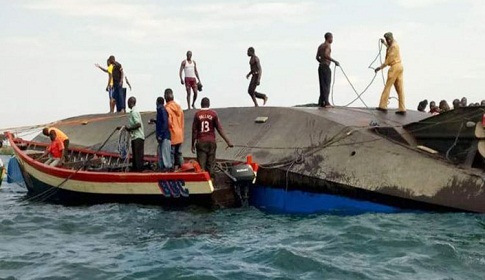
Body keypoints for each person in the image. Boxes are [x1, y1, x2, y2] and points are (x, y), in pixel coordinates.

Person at [192, 97, 233, 177]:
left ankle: (203, 182)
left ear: (201, 104)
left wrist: (192, 144)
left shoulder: (197, 114)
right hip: (211, 142)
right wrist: (228, 142)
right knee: (211, 164)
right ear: (209, 104)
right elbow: (219, 129)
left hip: (201, 142)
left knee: (201, 165)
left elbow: (194, 131)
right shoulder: (213, 114)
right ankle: (212, 180)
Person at [375, 32, 406, 114]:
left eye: (387, 40)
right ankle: (402, 108)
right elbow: (390, 47)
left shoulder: (393, 47)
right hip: (400, 66)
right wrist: (384, 43)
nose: (387, 41)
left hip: (394, 67)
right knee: (400, 89)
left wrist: (380, 68)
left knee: (388, 86)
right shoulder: (395, 44)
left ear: (390, 39)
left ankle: (383, 105)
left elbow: (388, 60)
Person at [316, 32, 340, 108]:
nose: (332, 39)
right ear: (328, 38)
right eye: (332, 38)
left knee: (322, 85)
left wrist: (322, 63)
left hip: (320, 67)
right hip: (326, 67)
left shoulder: (320, 46)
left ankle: (322, 101)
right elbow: (326, 55)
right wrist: (334, 61)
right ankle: (326, 102)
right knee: (326, 84)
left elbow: (317, 57)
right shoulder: (327, 45)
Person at [121, 96, 145, 172]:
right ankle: (135, 170)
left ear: (131, 102)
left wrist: (129, 128)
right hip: (134, 137)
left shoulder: (134, 112)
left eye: (128, 102)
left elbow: (138, 124)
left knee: (138, 156)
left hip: (138, 137)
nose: (127, 104)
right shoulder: (133, 112)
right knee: (135, 156)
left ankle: (138, 171)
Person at [149, 97, 172, 171]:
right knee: (161, 152)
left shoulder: (161, 110)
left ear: (157, 102)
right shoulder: (162, 110)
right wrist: (155, 121)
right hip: (163, 136)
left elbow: (165, 123)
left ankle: (167, 167)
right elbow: (162, 122)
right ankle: (162, 167)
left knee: (165, 153)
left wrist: (161, 135)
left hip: (164, 136)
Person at [164, 88, 185, 169]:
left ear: (165, 97)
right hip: (180, 133)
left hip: (172, 134)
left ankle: (172, 170)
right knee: (179, 153)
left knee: (171, 153)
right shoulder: (179, 108)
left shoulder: (166, 108)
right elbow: (182, 121)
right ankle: (183, 169)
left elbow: (168, 122)